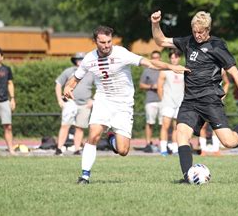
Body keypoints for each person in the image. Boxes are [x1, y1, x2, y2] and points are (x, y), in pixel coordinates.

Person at [63, 25, 188, 184]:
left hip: (123, 105)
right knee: (93, 134)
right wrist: (68, 86)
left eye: (109, 41)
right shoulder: (89, 59)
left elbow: (149, 63)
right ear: (95, 41)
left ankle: (110, 138)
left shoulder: (121, 53)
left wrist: (171, 67)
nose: (107, 45)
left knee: (123, 150)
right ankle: (84, 176)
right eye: (103, 42)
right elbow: (76, 77)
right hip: (103, 100)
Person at [151, 10, 238, 183]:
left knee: (230, 142)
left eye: (201, 32)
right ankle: (189, 177)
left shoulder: (218, 46)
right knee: (181, 134)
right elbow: (161, 40)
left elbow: (236, 74)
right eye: (194, 31)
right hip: (190, 100)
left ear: (208, 29)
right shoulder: (188, 41)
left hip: (210, 100)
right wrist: (155, 24)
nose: (197, 35)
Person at [55, 52, 94, 155]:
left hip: (85, 104)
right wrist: (60, 100)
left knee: (80, 127)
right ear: (75, 61)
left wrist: (93, 100)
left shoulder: (91, 73)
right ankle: (59, 149)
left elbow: (101, 86)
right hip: (70, 102)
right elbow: (58, 84)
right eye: (78, 59)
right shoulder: (69, 71)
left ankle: (77, 150)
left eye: (82, 59)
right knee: (65, 125)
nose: (80, 61)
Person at [157, 49, 185, 156]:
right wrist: (163, 100)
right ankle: (163, 149)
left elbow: (186, 87)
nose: (174, 60)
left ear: (179, 58)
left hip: (180, 103)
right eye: (172, 57)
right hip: (168, 102)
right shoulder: (165, 70)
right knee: (165, 126)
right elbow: (159, 87)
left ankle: (175, 148)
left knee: (176, 127)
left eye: (176, 57)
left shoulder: (183, 70)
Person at [199, 69, 230, 156]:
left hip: (216, 102)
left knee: (216, 126)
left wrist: (222, 95)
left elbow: (227, 83)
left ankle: (216, 149)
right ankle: (203, 149)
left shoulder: (221, 70)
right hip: (203, 100)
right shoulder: (203, 67)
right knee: (203, 126)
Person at [139, 50, 163, 152]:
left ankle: (163, 143)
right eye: (153, 57)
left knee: (163, 124)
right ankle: (148, 143)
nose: (155, 59)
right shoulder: (147, 70)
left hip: (163, 100)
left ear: (160, 58)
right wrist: (152, 86)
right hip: (151, 100)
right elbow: (141, 85)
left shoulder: (164, 69)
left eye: (157, 57)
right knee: (150, 122)